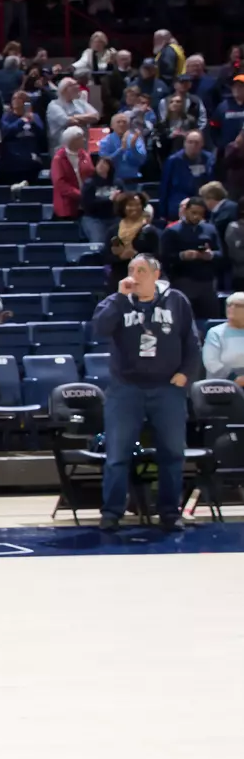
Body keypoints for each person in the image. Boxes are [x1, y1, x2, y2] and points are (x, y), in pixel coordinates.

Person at [90, 254, 202, 532]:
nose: (135, 276)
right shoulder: (117, 300)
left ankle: (169, 512)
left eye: (141, 270)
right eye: (131, 270)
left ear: (156, 274)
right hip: (126, 389)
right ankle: (112, 513)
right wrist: (118, 299)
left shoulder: (176, 300)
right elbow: (99, 329)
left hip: (167, 389)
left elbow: (192, 342)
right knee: (117, 454)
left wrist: (185, 374)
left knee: (173, 453)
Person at [161, 196, 222, 317]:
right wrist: (182, 256)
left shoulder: (210, 229)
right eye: (193, 213)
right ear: (185, 211)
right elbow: (163, 257)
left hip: (207, 282)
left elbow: (221, 253)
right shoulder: (172, 231)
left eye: (200, 214)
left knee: (211, 316)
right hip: (183, 280)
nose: (196, 216)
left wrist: (210, 255)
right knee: (183, 319)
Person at [108, 191, 159, 288]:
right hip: (119, 276)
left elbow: (157, 254)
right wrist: (120, 257)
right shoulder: (113, 230)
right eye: (130, 205)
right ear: (122, 207)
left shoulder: (149, 230)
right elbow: (106, 257)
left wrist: (137, 255)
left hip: (144, 277)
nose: (135, 208)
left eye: (138, 204)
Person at [203, 292, 244, 384]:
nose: (232, 308)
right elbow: (211, 363)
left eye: (238, 305)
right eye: (229, 305)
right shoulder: (215, 333)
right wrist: (233, 379)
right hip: (222, 384)